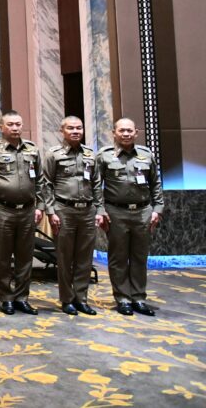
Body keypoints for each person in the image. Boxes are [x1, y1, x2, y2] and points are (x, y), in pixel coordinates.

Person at [95, 118, 164, 316]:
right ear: (114, 133)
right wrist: (100, 210)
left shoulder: (146, 154)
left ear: (136, 133)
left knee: (139, 257)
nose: (126, 134)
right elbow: (96, 185)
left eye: (129, 131)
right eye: (122, 130)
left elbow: (155, 183)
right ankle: (123, 298)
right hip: (116, 212)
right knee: (118, 257)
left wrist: (157, 209)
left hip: (143, 212)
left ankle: (139, 298)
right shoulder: (104, 155)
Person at [0, 110, 43, 315]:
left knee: (25, 257)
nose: (15, 128)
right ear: (2, 127)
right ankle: (7, 298)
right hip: (2, 210)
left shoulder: (32, 149)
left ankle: (22, 297)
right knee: (3, 257)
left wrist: (40, 206)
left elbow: (40, 180)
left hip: (27, 210)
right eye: (10, 124)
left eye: (18, 124)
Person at [42, 116, 101, 316]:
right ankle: (67, 299)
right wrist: (51, 211)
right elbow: (46, 184)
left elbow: (96, 184)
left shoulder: (90, 155)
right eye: (71, 128)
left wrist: (100, 210)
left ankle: (81, 299)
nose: (75, 131)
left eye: (79, 128)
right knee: (65, 258)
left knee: (85, 258)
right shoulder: (53, 154)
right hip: (64, 210)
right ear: (62, 131)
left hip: (87, 211)